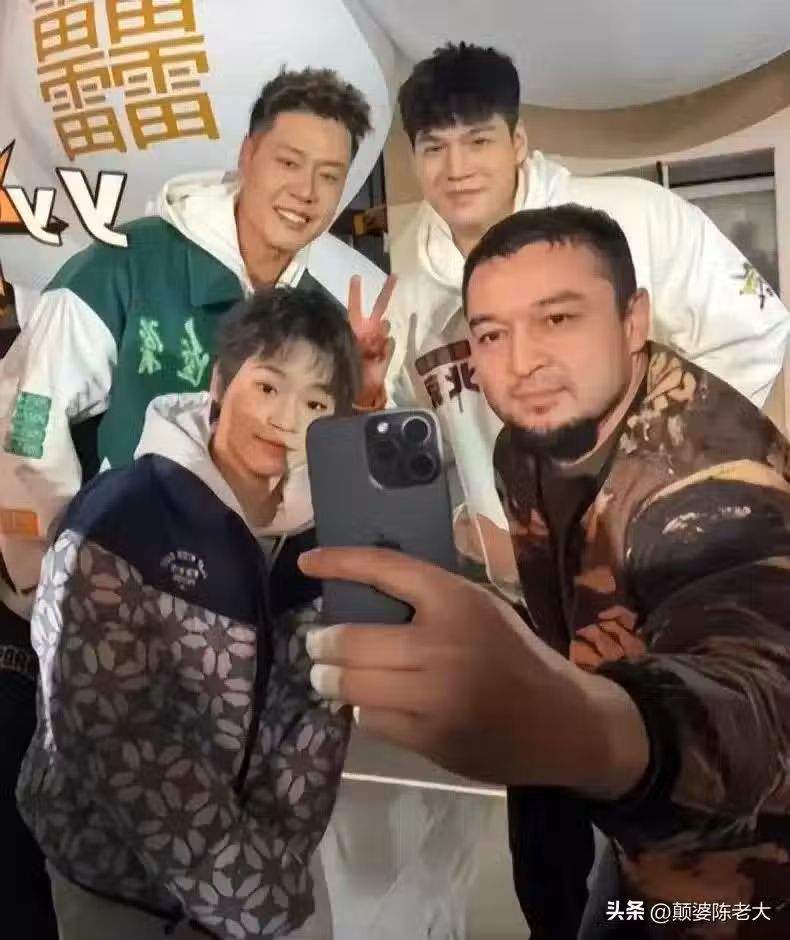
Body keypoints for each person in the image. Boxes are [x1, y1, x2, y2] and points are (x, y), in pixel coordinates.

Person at [300, 206, 790, 940]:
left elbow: (758, 703)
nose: (522, 361)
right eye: (492, 334)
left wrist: (574, 723)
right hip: (626, 840)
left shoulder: (710, 481)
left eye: (558, 319)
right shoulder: (527, 447)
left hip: (741, 891)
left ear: (633, 321)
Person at [359, 41, 790, 600]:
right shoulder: (409, 296)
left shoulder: (638, 217)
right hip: (525, 592)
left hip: (681, 561)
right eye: (434, 148)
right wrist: (473, 529)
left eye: (478, 140)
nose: (457, 169)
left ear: (517, 142)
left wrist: (649, 492)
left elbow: (757, 345)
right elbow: (427, 448)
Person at [17, 285, 361, 940]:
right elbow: (113, 730)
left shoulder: (321, 540)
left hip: (260, 880)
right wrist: (242, 890)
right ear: (219, 382)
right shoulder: (119, 518)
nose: (287, 419)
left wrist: (274, 866)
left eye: (316, 403)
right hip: (114, 882)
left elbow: (319, 722)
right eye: (267, 387)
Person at [0, 64, 390, 619]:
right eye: (288, 163)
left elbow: (320, 484)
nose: (305, 192)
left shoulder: (325, 312)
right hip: (110, 600)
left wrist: (364, 400)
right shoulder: (126, 263)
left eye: (329, 176)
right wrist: (53, 579)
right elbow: (28, 413)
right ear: (247, 156)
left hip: (250, 616)